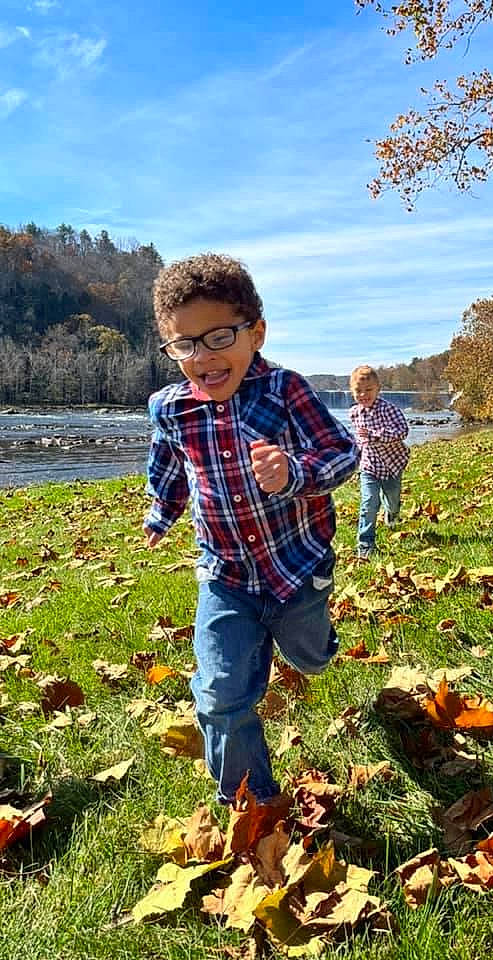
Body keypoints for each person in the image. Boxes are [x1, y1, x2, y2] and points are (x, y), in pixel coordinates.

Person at [143, 253, 359, 806]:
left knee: (310, 658)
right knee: (218, 694)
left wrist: (295, 472)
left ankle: (316, 642)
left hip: (296, 567)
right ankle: (252, 802)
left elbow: (342, 453)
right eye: (185, 345)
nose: (204, 358)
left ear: (255, 332)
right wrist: (160, 513)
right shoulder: (170, 410)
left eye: (219, 337)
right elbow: (169, 467)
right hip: (225, 575)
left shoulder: (285, 391)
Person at [349, 364, 409, 560]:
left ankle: (392, 514)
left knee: (392, 499)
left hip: (392, 464)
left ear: (378, 389)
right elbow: (358, 440)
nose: (363, 395)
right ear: (352, 391)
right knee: (368, 503)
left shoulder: (388, 410)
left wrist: (376, 435)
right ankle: (365, 545)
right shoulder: (354, 413)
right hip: (369, 466)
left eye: (368, 390)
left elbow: (402, 431)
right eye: (358, 391)